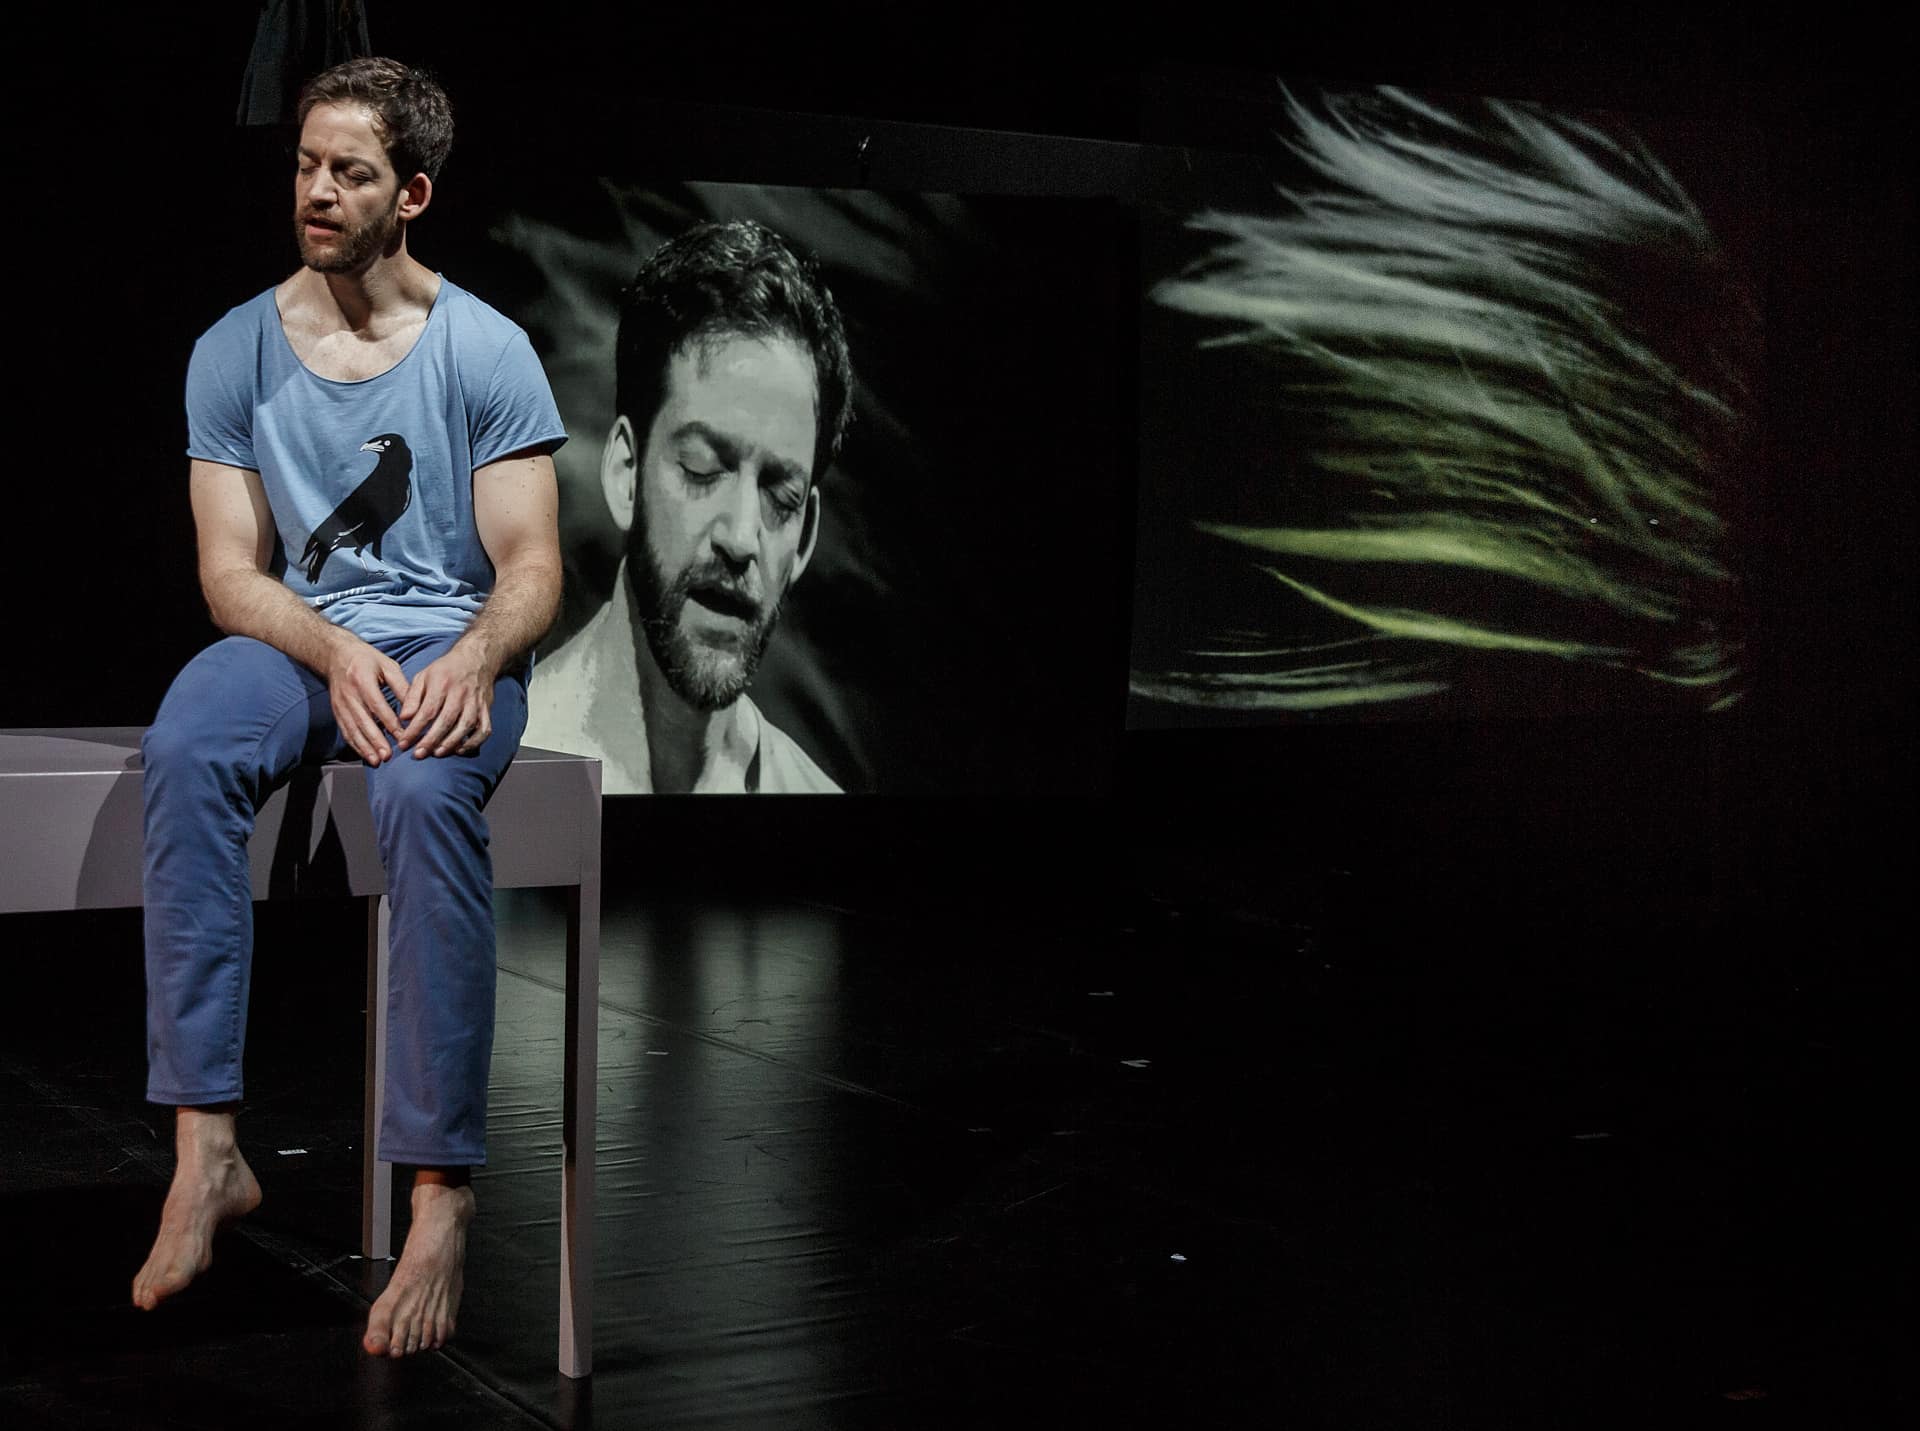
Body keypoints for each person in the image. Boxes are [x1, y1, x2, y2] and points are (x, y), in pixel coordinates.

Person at [131, 57, 567, 1360]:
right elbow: (230, 573)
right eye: (307, 166)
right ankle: (206, 1147)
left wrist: (474, 659)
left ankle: (440, 1191)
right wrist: (328, 650)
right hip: (301, 640)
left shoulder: (486, 349)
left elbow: (533, 564)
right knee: (188, 741)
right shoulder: (234, 349)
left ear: (412, 194)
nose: (317, 191)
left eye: (351, 173)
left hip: (443, 642)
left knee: (425, 792)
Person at [524, 220, 852, 793]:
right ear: (626, 475)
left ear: (804, 540)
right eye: (702, 468)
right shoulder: (489, 789)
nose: (742, 537)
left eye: (781, 496)